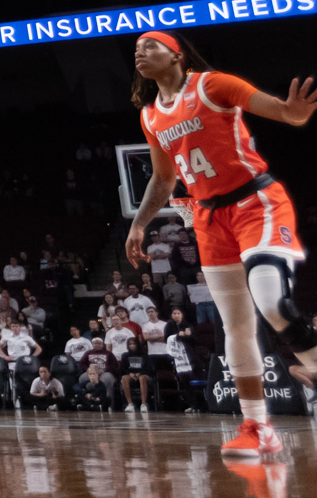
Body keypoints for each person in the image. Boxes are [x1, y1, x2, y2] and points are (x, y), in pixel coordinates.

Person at [126, 30, 315, 460]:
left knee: (272, 304)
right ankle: (256, 427)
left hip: (255, 201)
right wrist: (139, 224)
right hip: (209, 217)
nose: (140, 52)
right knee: (236, 327)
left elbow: (283, 112)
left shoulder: (211, 85)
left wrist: (296, 113)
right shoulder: (152, 115)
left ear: (176, 56)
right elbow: (162, 178)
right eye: (136, 49)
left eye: (150, 46)